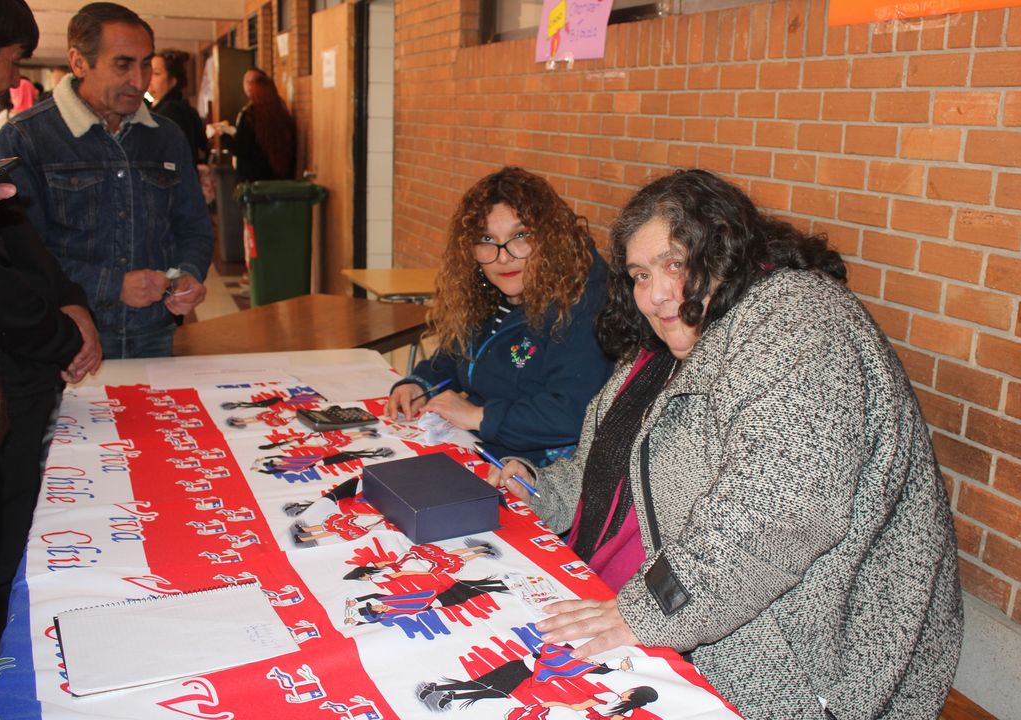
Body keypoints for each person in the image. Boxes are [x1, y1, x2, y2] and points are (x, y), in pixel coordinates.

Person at [490, 170, 963, 719]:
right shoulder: (666, 342)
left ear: (725, 251)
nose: (656, 294)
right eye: (641, 275)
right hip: (650, 605)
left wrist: (644, 612)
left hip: (798, 664)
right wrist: (538, 490)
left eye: (674, 263)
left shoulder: (799, 324)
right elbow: (603, 466)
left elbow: (773, 516)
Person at [0, 2, 213, 359]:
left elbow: (194, 227)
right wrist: (112, 286)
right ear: (79, 62)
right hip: (73, 340)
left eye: (146, 64)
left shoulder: (167, 137)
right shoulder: (25, 139)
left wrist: (188, 273)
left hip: (156, 334)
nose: (140, 81)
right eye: (123, 64)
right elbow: (22, 257)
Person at [386, 167, 613, 468]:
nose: (503, 256)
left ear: (550, 238)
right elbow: (459, 355)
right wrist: (420, 383)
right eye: (486, 239)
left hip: (543, 472)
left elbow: (572, 413)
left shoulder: (582, 303)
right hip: (483, 447)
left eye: (520, 236)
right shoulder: (487, 292)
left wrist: (478, 416)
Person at [0, 0, 102, 640]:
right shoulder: (26, 132)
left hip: (35, 361)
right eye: (11, 59)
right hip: (18, 368)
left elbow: (22, 240)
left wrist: (71, 300)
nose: (13, 78)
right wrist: (64, 334)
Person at [223, 68, 295, 183]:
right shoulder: (282, 114)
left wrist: (223, 136)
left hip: (253, 182)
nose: (248, 86)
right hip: (278, 180)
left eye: (251, 83)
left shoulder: (250, 116)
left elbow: (240, 148)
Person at [148, 48, 207, 166]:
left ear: (172, 81)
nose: (150, 79)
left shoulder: (171, 111)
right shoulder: (179, 106)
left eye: (156, 73)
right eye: (148, 72)